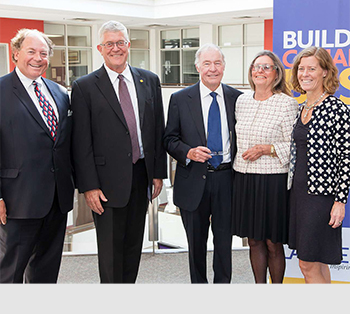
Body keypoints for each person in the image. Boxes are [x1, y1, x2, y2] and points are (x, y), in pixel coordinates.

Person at [71, 20, 167, 283]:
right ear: (100, 48)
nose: (116, 48)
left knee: (133, 249)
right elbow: (81, 142)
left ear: (129, 45)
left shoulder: (149, 80)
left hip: (142, 177)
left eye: (121, 42)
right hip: (105, 184)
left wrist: (158, 173)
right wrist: (88, 186)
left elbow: (157, 129)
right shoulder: (85, 86)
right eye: (110, 44)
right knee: (111, 254)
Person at [0, 29, 75, 283]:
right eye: (31, 51)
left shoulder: (59, 93)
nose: (38, 58)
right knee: (9, 273)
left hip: (56, 200)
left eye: (43, 53)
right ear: (16, 54)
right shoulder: (0, 91)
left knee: (46, 273)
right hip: (16, 202)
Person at [164, 43, 242, 283]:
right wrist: (188, 152)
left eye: (217, 63)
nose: (212, 69)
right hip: (193, 180)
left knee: (224, 245)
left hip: (227, 180)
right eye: (207, 63)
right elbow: (169, 139)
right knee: (195, 246)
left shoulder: (237, 98)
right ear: (197, 66)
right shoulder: (179, 99)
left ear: (224, 66)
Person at [231, 50, 298, 283]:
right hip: (245, 179)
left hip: (272, 182)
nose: (260, 71)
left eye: (266, 67)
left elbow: (295, 146)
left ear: (277, 73)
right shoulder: (241, 101)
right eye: (256, 67)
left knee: (272, 242)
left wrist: (266, 149)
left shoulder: (287, 103)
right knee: (254, 240)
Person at [288, 46, 349, 283]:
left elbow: (346, 158)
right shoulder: (301, 108)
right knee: (318, 263)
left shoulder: (337, 110)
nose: (305, 73)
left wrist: (340, 201)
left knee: (307, 263)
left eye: (312, 68)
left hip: (321, 198)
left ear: (325, 72)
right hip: (299, 195)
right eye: (301, 69)